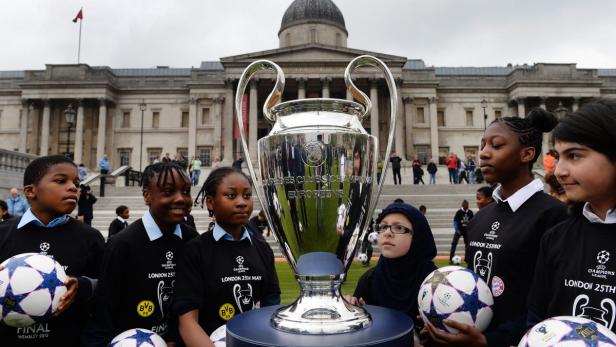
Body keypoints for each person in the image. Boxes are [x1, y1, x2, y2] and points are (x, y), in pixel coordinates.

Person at [422, 109, 568, 347]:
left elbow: (553, 301)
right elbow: (471, 283)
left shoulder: (554, 215)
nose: (483, 153)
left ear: (527, 154)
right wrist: (443, 316)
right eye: (482, 145)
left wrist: (490, 341)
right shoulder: (481, 218)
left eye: (496, 146)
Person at [83, 162, 199, 346]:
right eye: (169, 192)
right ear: (147, 196)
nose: (180, 199)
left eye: (186, 191)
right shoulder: (122, 244)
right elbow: (104, 310)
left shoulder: (191, 239)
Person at [526, 99, 616, 334]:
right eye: (558, 156)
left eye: (574, 156)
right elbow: (538, 320)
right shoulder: (556, 237)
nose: (559, 171)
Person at [0, 155, 105, 346]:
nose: (73, 187)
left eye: (76, 183)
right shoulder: (3, 233)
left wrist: (83, 286)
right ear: (31, 191)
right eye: (61, 181)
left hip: (69, 338)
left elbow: (107, 285)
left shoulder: (90, 237)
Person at [174, 167, 281, 346]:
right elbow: (187, 321)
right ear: (210, 202)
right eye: (231, 196)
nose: (242, 203)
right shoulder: (195, 250)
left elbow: (270, 309)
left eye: (247, 196)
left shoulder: (262, 249)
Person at [347, 202, 437, 328]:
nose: (387, 233)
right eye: (383, 227)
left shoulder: (436, 282)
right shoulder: (369, 280)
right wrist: (350, 310)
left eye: (399, 228)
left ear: (418, 236)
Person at [449, 200, 473, 264]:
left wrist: (470, 230)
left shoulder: (470, 212)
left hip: (466, 231)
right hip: (459, 231)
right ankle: (451, 259)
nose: (466, 206)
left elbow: (473, 221)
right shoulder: (459, 212)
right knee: (454, 243)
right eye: (465, 205)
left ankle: (467, 259)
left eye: (467, 205)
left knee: (467, 245)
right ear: (462, 205)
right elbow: (455, 221)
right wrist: (457, 229)